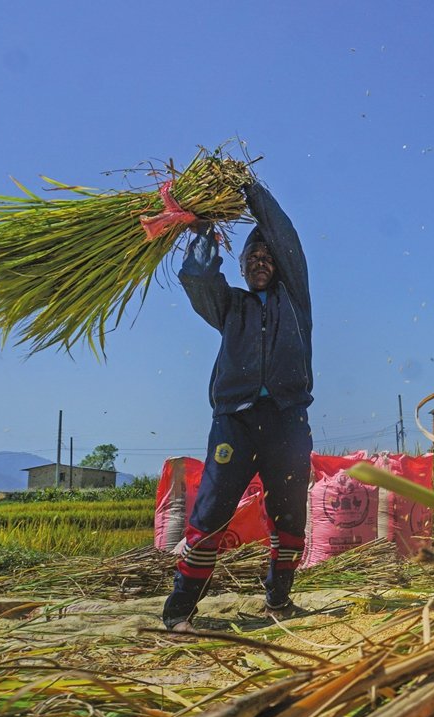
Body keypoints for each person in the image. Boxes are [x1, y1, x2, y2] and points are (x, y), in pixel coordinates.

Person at [162, 181, 314, 631]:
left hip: (288, 418)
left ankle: (279, 601)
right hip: (235, 421)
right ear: (242, 267)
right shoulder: (230, 306)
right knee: (211, 509)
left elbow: (284, 237)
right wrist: (204, 227)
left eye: (267, 258)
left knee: (289, 514)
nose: (261, 264)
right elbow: (197, 277)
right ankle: (178, 612)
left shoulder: (295, 301)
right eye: (252, 260)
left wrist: (251, 193)